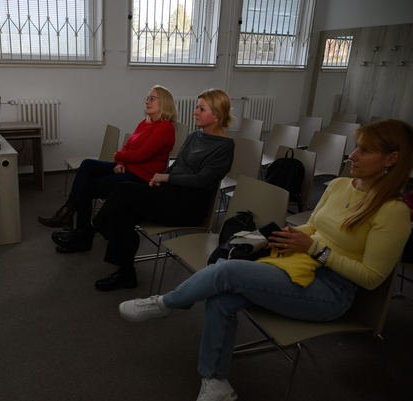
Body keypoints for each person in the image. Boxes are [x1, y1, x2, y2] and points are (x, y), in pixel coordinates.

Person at [118, 119, 413, 401]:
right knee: (221, 298)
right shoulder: (339, 186)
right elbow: (313, 226)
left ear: (391, 159)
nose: (352, 155)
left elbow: (371, 277)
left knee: (228, 271)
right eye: (356, 146)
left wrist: (315, 249)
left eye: (365, 150)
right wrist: (288, 236)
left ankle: (166, 303)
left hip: (331, 291)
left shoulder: (393, 211)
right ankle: (216, 383)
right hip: (298, 264)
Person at [53, 88, 235, 291]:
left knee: (124, 190)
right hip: (171, 194)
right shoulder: (195, 136)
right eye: (197, 107)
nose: (195, 112)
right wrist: (161, 179)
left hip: (189, 206)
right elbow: (177, 165)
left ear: (216, 116)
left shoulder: (225, 146)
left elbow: (202, 180)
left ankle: (87, 232)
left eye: (201, 109)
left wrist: (165, 177)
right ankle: (126, 273)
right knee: (123, 211)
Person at [38, 85, 177, 233]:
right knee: (87, 165)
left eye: (152, 98)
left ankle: (73, 223)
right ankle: (69, 215)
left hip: (142, 178)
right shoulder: (145, 123)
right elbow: (127, 146)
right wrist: (120, 162)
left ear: (164, 102)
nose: (147, 101)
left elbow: (140, 155)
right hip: (127, 168)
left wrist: (117, 156)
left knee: (86, 186)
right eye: (147, 98)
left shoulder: (165, 127)